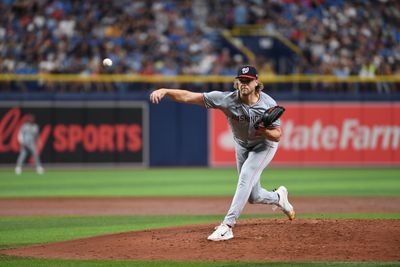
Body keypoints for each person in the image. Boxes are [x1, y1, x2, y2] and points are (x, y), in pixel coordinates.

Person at [150, 65, 295, 241]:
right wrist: (165, 90)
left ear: (256, 82)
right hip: (242, 145)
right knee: (253, 196)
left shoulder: (268, 104)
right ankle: (278, 197)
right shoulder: (226, 99)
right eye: (241, 80)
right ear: (236, 82)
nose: (244, 84)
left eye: (248, 81)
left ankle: (227, 225)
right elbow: (190, 96)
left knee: (246, 176)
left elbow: (277, 136)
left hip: (263, 146)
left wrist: (264, 130)